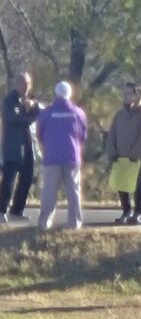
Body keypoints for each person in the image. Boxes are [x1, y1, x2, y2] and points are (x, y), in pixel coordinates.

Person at [36, 81, 88, 230]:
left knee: (49, 191)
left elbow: (39, 134)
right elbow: (83, 135)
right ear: (70, 94)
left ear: (56, 94)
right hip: (72, 156)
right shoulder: (78, 113)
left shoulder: (46, 113)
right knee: (73, 191)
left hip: (51, 157)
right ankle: (75, 222)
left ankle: (44, 223)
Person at [106, 83, 141, 225]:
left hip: (137, 159)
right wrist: (112, 151)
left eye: (129, 94)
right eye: (124, 94)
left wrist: (135, 154)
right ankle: (125, 212)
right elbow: (112, 134)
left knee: (137, 185)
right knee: (122, 186)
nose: (126, 97)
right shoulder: (119, 115)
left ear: (137, 95)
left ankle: (138, 213)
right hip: (120, 157)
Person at [0, 72, 41, 224]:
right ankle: (1, 210)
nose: (26, 87)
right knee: (9, 180)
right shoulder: (9, 101)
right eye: (23, 83)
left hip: (29, 147)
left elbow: (42, 112)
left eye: (28, 84)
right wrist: (31, 115)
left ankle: (17, 210)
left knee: (27, 179)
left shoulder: (31, 102)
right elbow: (15, 120)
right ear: (17, 84)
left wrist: (34, 108)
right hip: (13, 147)